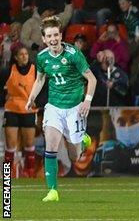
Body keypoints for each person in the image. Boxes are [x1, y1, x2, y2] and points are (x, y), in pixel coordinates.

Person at [25, 16, 97, 202]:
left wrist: (87, 101)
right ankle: (53, 191)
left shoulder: (73, 54)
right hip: (54, 107)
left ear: (61, 34)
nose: (53, 39)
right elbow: (40, 79)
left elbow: (92, 79)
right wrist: (31, 98)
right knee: (51, 147)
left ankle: (83, 140)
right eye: (49, 36)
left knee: (75, 157)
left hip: (75, 109)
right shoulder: (42, 57)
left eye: (56, 34)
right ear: (44, 39)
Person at [1, 46, 40, 177]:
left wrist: (38, 101)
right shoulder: (8, 71)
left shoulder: (35, 70)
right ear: (16, 57)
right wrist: (3, 98)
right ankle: (8, 173)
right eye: (21, 54)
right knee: (10, 144)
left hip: (29, 110)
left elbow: (45, 86)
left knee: (29, 144)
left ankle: (29, 172)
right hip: (12, 109)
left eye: (26, 54)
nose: (24, 56)